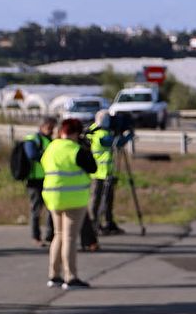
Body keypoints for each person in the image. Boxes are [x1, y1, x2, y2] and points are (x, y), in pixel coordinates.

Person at [41, 118, 96, 288]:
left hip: (53, 196)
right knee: (70, 237)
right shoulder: (76, 150)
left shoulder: (51, 147)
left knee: (58, 235)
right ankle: (71, 276)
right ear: (76, 133)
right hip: (74, 198)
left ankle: (54, 275)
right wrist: (87, 148)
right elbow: (92, 167)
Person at [86, 110, 123, 235]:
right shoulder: (100, 134)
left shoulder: (95, 130)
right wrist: (127, 135)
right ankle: (94, 224)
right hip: (99, 174)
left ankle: (108, 222)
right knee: (96, 200)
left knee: (107, 199)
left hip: (106, 173)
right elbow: (114, 142)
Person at [22, 116, 58, 247]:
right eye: (49, 127)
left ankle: (50, 235)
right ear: (42, 126)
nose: (51, 130)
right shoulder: (33, 140)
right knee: (36, 209)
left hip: (49, 179)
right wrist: (48, 155)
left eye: (53, 127)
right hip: (35, 180)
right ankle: (36, 236)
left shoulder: (51, 140)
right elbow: (32, 155)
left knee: (51, 208)